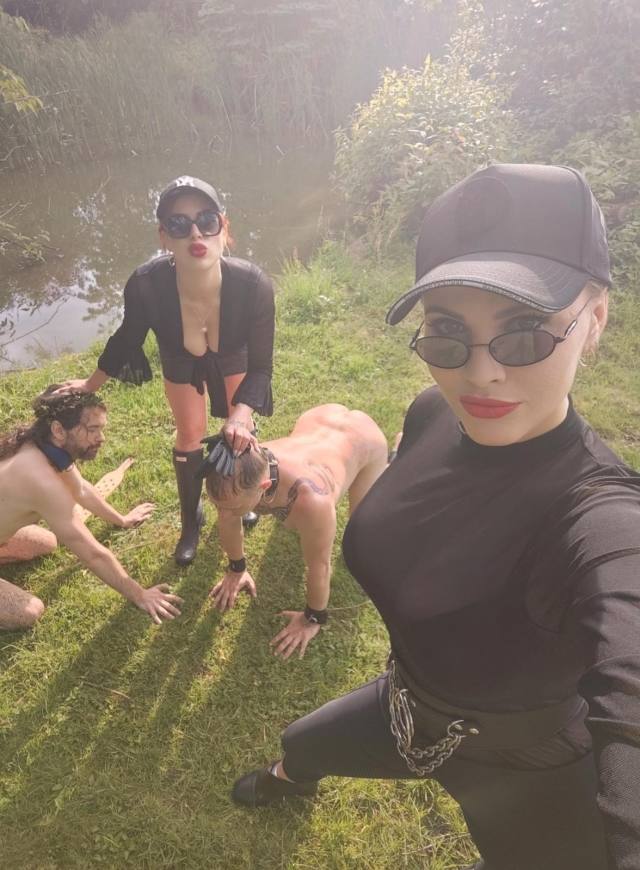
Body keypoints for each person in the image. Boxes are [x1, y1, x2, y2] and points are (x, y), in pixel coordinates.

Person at [229, 165, 640, 870]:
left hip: (528, 772)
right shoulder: (432, 413)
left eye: (525, 333)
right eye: (447, 332)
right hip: (405, 707)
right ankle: (290, 780)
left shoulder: (603, 518)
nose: (479, 374)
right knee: (302, 744)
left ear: (594, 318)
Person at [56, 176, 275, 566]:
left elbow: (261, 367)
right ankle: (192, 520)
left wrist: (242, 413)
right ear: (163, 236)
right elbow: (128, 337)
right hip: (180, 356)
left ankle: (241, 498)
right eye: (179, 224)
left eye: (206, 220)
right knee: (189, 434)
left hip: (232, 354)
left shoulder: (253, 284)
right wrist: (91, 383)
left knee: (240, 428)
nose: (196, 233)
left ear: (223, 227)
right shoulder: (146, 284)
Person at [203, 404, 388, 659]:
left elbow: (319, 565)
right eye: (217, 505)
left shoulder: (313, 502)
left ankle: (394, 462)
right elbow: (228, 517)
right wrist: (236, 569)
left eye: (231, 508)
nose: (222, 514)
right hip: (320, 417)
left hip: (364, 439)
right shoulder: (241, 466)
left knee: (360, 534)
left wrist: (313, 618)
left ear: (264, 487)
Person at [0, 388, 182, 629]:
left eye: (101, 429)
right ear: (58, 430)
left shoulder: (42, 445)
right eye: (92, 430)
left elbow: (82, 490)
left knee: (48, 542)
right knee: (29, 612)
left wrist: (122, 520)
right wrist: (140, 594)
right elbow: (92, 553)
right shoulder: (41, 480)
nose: (101, 438)